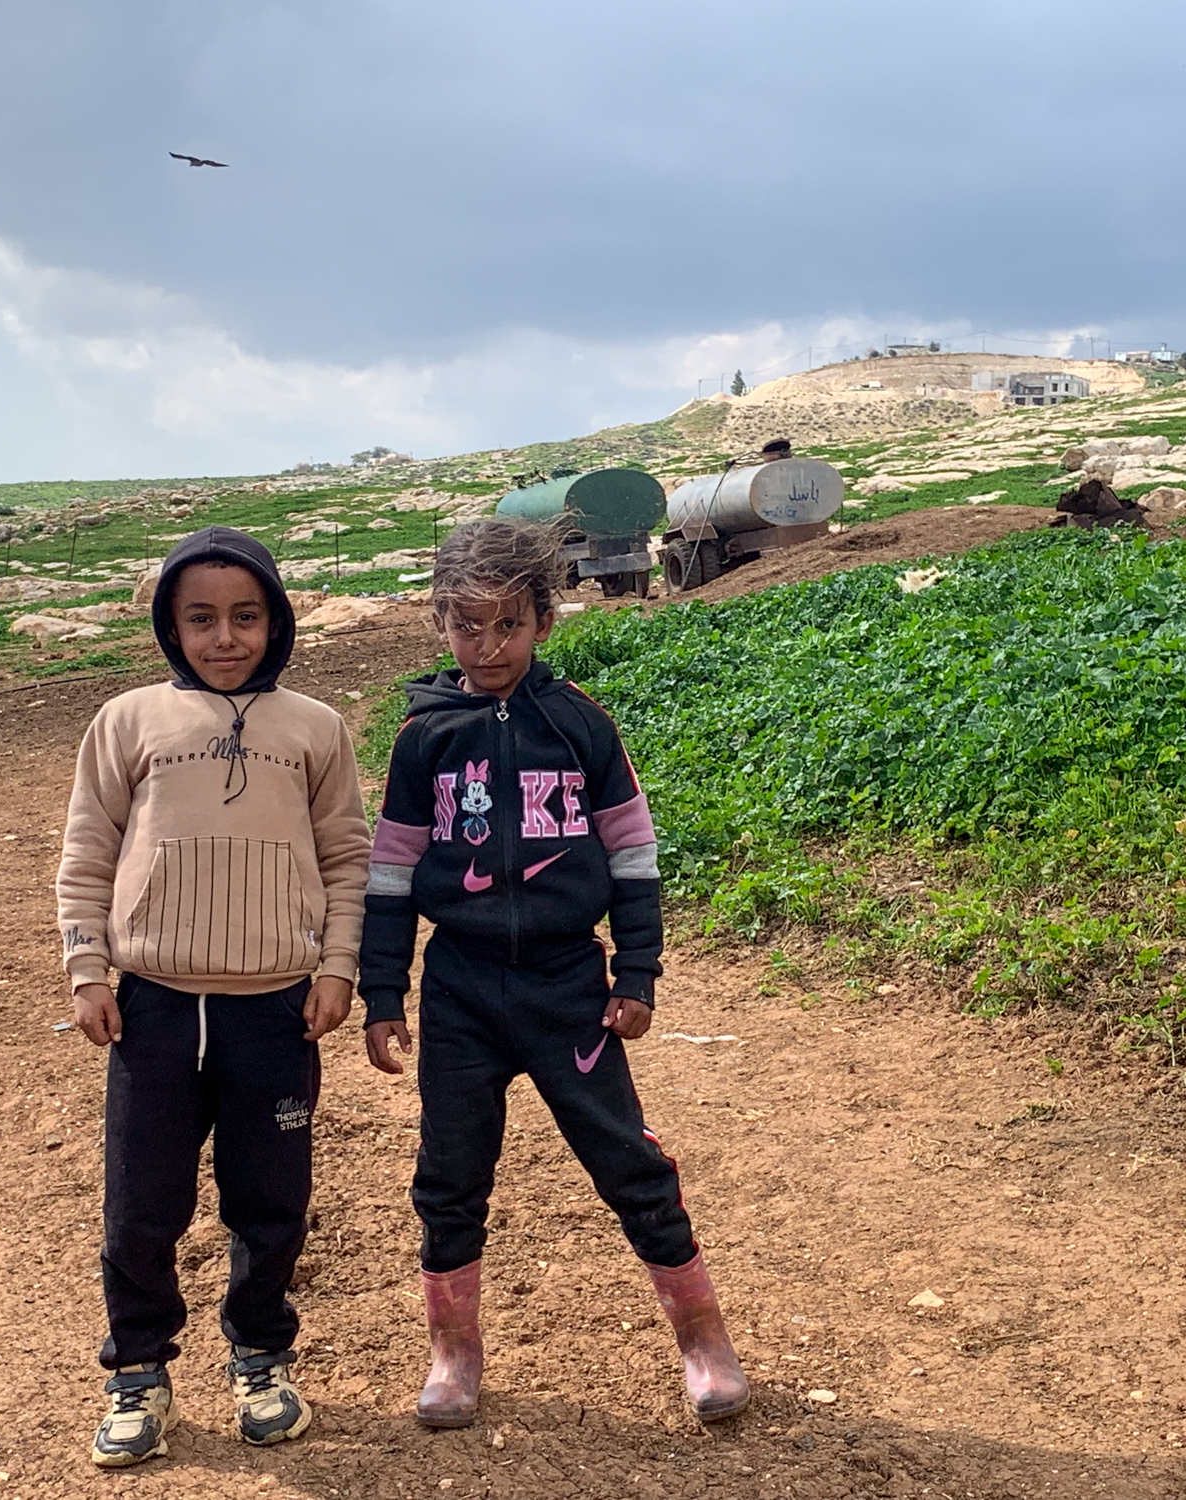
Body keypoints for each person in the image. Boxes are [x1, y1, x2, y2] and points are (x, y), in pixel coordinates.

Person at [359, 517, 749, 1428]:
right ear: (440, 625)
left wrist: (638, 974)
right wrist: (386, 992)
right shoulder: (424, 739)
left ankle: (702, 1336)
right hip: (458, 989)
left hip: (569, 986)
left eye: (508, 625)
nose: (487, 647)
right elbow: (389, 874)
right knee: (450, 1172)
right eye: (466, 625)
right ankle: (453, 1353)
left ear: (543, 620)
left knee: (626, 1158)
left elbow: (633, 855)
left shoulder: (578, 724)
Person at [56, 526, 370, 1466]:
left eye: (244, 616)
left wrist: (338, 967)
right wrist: (86, 968)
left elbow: (348, 858)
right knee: (140, 1204)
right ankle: (138, 1372)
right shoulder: (126, 722)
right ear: (171, 624)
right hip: (151, 1004)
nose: (224, 637)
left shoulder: (315, 728)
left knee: (270, 1200)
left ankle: (262, 1357)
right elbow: (86, 854)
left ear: (275, 621)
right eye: (201, 618)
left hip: (273, 1010)